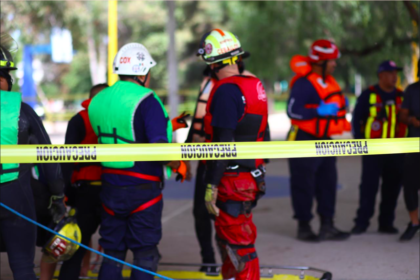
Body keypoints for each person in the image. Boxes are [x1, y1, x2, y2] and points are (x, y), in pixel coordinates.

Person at [88, 42, 192, 280]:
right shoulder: (148, 100)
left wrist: (172, 124)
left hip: (110, 187)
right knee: (145, 253)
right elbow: (159, 148)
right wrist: (178, 164)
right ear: (143, 72)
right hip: (143, 190)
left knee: (113, 253)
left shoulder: (100, 99)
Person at [200, 29, 268, 280]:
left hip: (231, 181)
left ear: (212, 62)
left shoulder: (226, 91)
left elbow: (223, 143)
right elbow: (264, 133)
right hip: (250, 175)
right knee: (232, 241)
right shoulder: (254, 86)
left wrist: (212, 185)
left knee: (240, 246)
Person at [187, 32, 256, 273]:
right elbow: (199, 117)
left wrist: (258, 164)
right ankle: (208, 260)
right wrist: (186, 157)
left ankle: (227, 261)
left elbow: (258, 129)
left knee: (228, 220)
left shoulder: (243, 84)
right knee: (200, 212)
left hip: (232, 167)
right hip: (206, 159)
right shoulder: (207, 83)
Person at [0, 33, 66, 280]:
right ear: (7, 78)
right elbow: (48, 158)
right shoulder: (23, 111)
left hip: (16, 196)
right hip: (17, 197)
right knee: (23, 267)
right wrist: (58, 196)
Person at [287, 39, 351, 242]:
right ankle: (304, 227)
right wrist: (317, 110)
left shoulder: (329, 82)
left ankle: (327, 225)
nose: (334, 64)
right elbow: (292, 111)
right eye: (331, 61)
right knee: (303, 184)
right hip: (303, 139)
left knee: (328, 182)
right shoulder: (304, 83)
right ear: (320, 62)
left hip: (325, 138)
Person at [58, 83, 108, 280]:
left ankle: (73, 275)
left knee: (77, 243)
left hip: (85, 190)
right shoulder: (116, 117)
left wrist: (65, 192)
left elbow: (67, 158)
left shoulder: (78, 120)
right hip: (112, 187)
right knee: (114, 244)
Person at [351, 60, 408, 235]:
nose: (394, 76)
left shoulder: (402, 96)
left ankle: (386, 223)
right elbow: (356, 120)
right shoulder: (369, 95)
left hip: (396, 151)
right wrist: (360, 143)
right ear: (381, 75)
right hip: (373, 151)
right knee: (369, 187)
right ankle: (362, 223)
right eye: (390, 73)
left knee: (392, 188)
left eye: (395, 73)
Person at [398, 58, 420, 241]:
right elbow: (403, 115)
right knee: (410, 185)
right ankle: (414, 223)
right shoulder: (412, 90)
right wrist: (412, 120)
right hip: (414, 144)